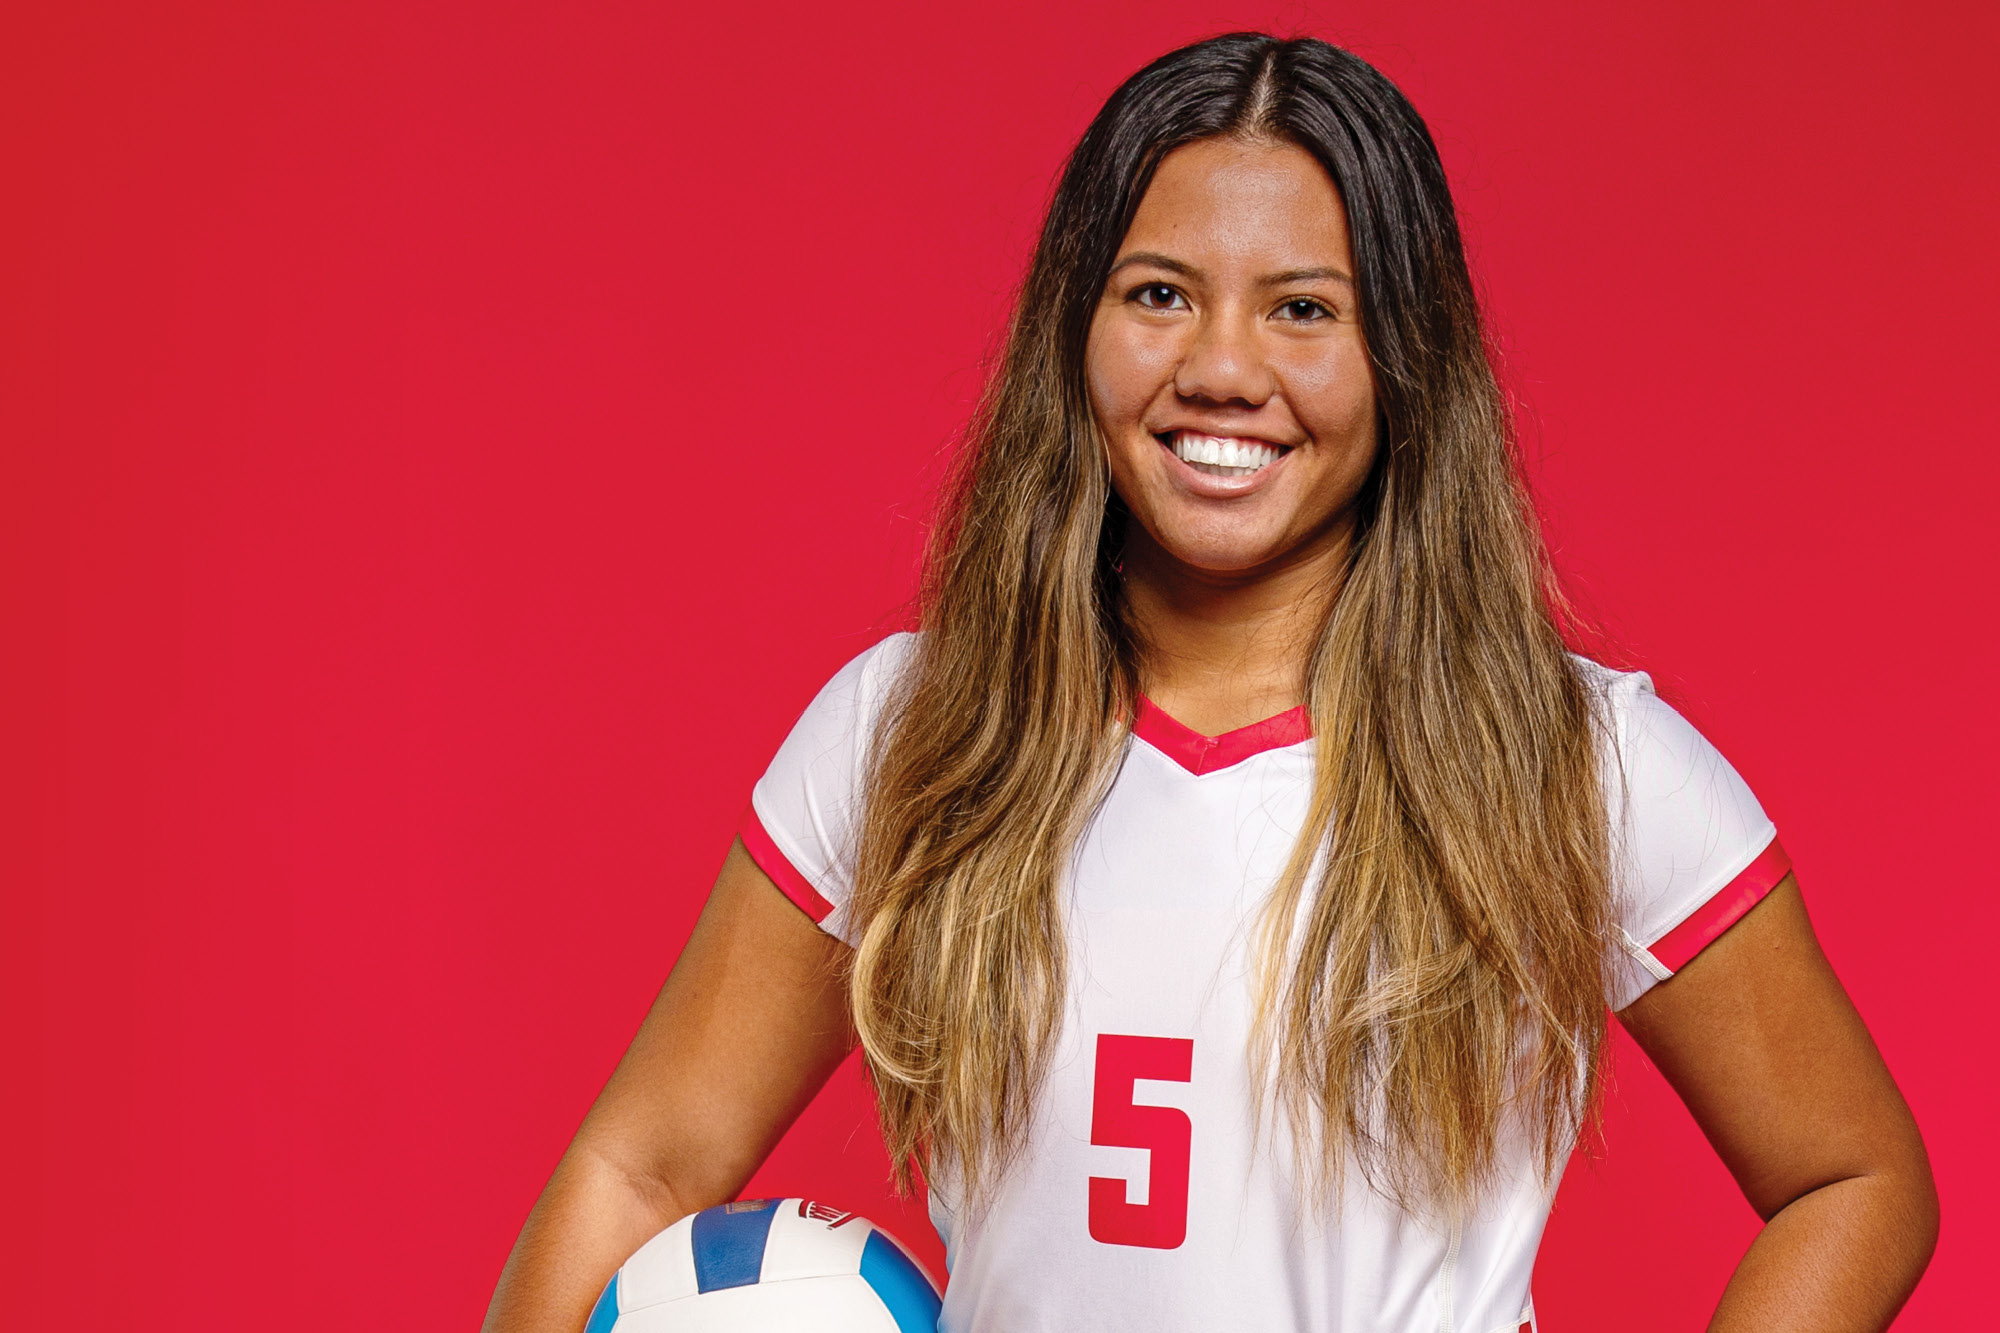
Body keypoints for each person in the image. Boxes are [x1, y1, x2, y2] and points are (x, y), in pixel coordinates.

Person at [482, 33, 1937, 1333]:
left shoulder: (1575, 760)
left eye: (1304, 308)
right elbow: (646, 1165)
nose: (1222, 367)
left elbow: (1854, 1174)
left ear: (1405, 354)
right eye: (1161, 292)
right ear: (1079, 325)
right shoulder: (912, 728)